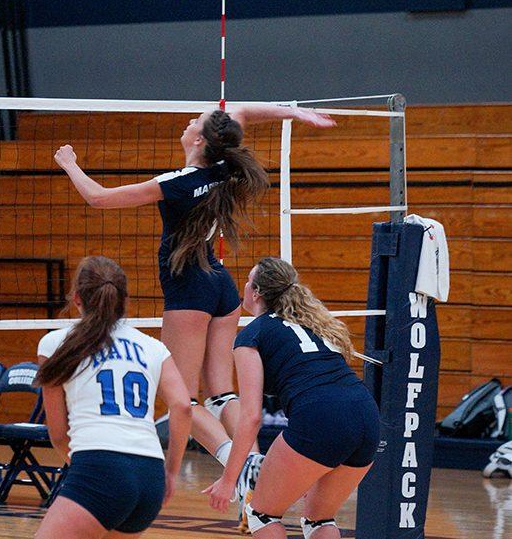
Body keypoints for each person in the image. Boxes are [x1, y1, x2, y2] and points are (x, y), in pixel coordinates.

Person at [54, 105, 336, 511]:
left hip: (189, 288)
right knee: (221, 394)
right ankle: (252, 463)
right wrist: (295, 113)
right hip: (220, 283)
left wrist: (70, 164)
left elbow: (98, 199)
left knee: (181, 401)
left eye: (194, 125)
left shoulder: (178, 182)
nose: (188, 123)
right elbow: (235, 113)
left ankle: (239, 466)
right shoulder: (224, 169)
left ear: (200, 141)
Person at [204, 257, 379, 538]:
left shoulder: (251, 335)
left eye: (248, 282)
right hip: (367, 415)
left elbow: (250, 417)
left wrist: (228, 479)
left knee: (261, 514)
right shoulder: (314, 325)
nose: (244, 287)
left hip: (321, 417)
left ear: (257, 292)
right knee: (319, 519)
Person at [34, 256, 192, 538]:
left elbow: (58, 433)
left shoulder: (56, 342)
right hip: (150, 475)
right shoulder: (153, 347)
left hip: (99, 464)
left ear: (78, 297)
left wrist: (94, 472)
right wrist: (170, 472)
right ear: (124, 299)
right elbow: (182, 406)